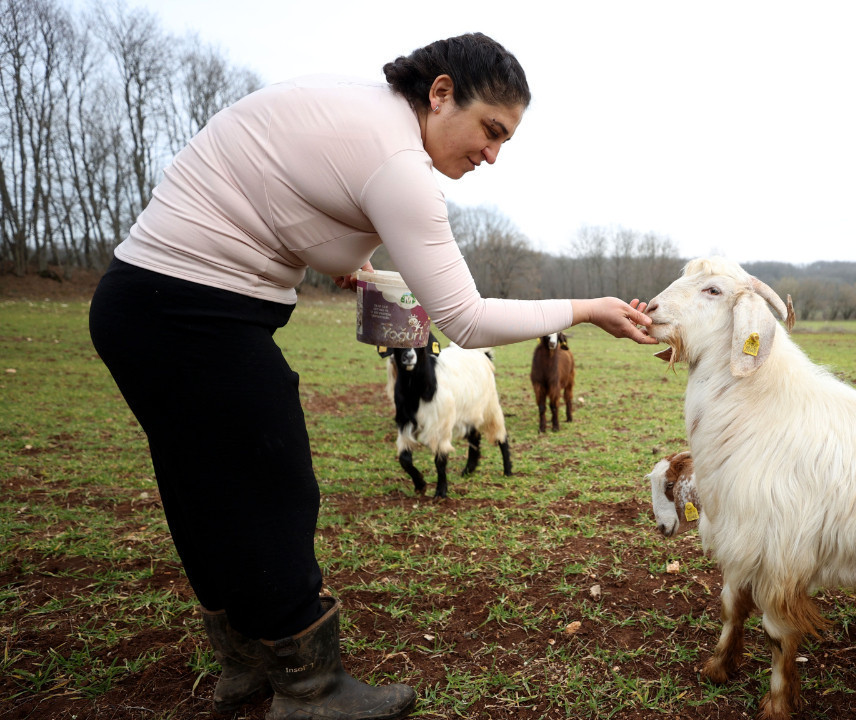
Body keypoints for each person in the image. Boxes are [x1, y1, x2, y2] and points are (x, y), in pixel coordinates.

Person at [89, 32, 654, 720]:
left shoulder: (365, 118)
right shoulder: (399, 162)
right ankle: (307, 687)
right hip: (191, 313)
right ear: (440, 93)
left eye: (505, 141)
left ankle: (244, 666)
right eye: (490, 130)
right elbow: (466, 320)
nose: (492, 155)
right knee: (276, 484)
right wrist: (589, 308)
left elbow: (270, 193)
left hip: (140, 304)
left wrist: (341, 262)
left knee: (203, 488)